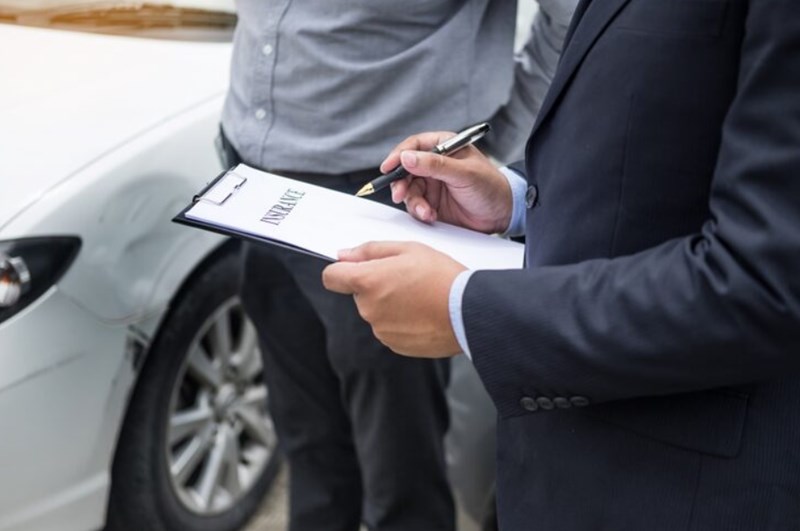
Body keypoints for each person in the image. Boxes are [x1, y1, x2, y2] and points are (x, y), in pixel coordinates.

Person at [322, 1, 800, 530]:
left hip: (682, 489)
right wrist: (515, 195)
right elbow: (663, 138)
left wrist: (465, 310)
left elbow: (761, 284)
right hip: (570, 465)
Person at [219, 2, 577, 530]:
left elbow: (569, 18)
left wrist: (499, 153)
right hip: (258, 187)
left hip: (390, 196)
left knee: (398, 473)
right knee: (308, 445)